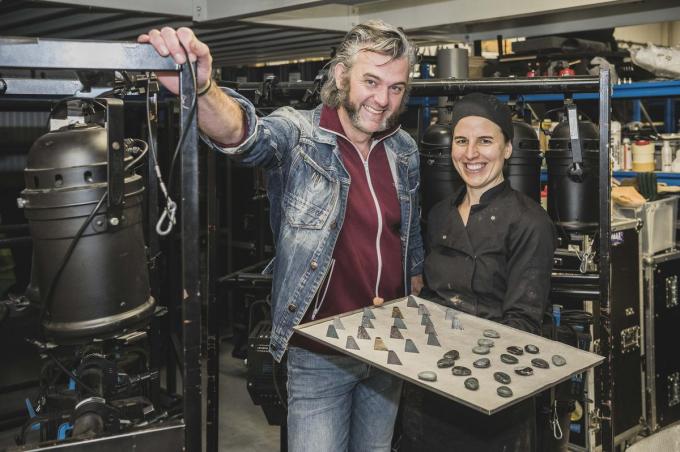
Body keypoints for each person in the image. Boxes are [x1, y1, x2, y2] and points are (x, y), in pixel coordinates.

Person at [139, 21, 424, 452]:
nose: (383, 100)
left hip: (387, 347)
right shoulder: (300, 135)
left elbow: (410, 234)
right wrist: (202, 88)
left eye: (397, 87)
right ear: (340, 75)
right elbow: (244, 134)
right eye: (371, 81)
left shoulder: (404, 149)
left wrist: (416, 293)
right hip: (320, 353)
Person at [399, 93, 556, 452]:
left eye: (485, 141)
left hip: (495, 390)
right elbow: (429, 297)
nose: (471, 154)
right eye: (461, 141)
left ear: (507, 149)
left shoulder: (530, 222)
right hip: (431, 385)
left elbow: (523, 322)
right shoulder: (439, 214)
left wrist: (470, 360)